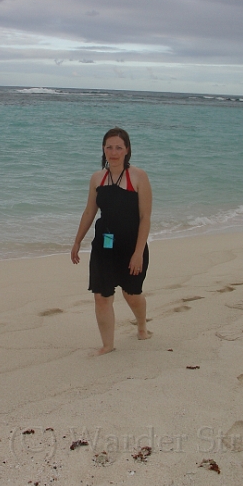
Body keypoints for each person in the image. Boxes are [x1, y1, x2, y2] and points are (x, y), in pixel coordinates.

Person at [71, 127, 153, 355]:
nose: (113, 152)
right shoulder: (97, 178)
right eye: (109, 147)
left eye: (119, 147)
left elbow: (145, 217)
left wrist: (138, 252)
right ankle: (108, 345)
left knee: (132, 294)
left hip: (131, 245)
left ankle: (142, 326)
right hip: (105, 244)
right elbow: (89, 212)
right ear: (103, 150)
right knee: (101, 296)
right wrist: (77, 241)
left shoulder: (138, 177)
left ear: (127, 150)